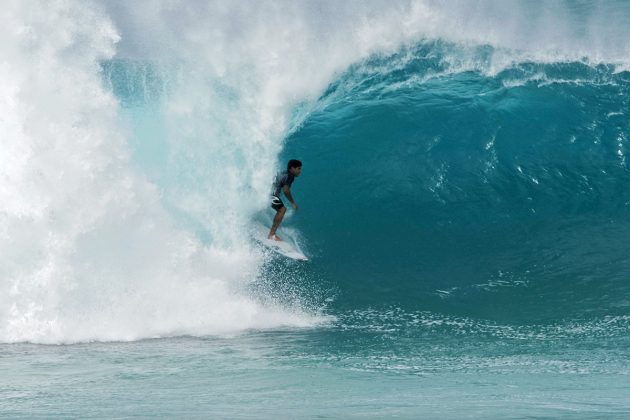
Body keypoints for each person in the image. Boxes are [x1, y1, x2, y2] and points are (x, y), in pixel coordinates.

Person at [268, 159, 302, 241]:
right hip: (271, 194)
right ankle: (271, 235)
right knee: (282, 210)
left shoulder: (284, 172)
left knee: (280, 209)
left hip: (266, 192)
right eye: (298, 169)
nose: (300, 171)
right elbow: (286, 190)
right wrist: (293, 203)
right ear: (292, 168)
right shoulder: (290, 176)